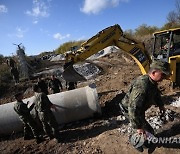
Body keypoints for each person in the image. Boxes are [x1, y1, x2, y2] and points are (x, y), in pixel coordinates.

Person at [119, 59, 170, 152]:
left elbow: (156, 94)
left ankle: (146, 141)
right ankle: (135, 141)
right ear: (154, 72)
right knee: (144, 130)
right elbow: (132, 108)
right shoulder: (142, 86)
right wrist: (138, 128)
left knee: (147, 131)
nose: (164, 77)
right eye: (163, 74)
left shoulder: (152, 82)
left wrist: (161, 105)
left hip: (139, 109)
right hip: (130, 110)